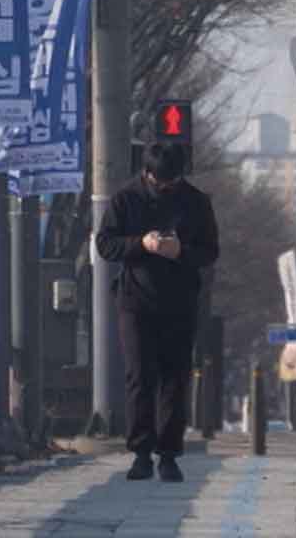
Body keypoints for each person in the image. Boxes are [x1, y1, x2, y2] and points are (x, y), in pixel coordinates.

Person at [93, 141, 219, 483]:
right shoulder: (125, 199)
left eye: (172, 182)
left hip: (180, 301)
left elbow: (210, 251)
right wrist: (141, 244)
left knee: (174, 379)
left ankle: (168, 454)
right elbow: (105, 244)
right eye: (160, 182)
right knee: (139, 376)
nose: (166, 187)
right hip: (136, 301)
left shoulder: (196, 202)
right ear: (146, 173)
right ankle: (141, 453)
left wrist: (181, 250)